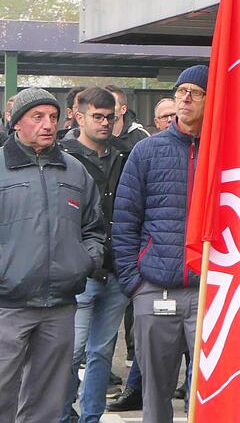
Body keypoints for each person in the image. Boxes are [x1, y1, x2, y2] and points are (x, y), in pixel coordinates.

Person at [0, 87, 104, 422]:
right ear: (17, 122)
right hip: (7, 305)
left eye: (53, 117)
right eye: (38, 117)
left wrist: (85, 262)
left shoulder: (74, 171)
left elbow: (94, 228)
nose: (48, 124)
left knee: (47, 400)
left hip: (59, 305)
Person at [112, 65, 208, 423]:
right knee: (155, 394)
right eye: (181, 90)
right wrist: (135, 284)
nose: (185, 98)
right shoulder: (147, 151)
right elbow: (125, 219)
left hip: (209, 293)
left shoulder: (226, 153)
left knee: (210, 393)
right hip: (155, 290)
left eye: (196, 92)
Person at [59, 87, 131, 423]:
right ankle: (63, 415)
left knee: (101, 352)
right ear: (79, 116)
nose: (105, 123)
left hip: (117, 269)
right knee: (71, 353)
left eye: (110, 117)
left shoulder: (125, 154)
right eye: (98, 116)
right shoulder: (63, 156)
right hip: (79, 272)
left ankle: (91, 417)